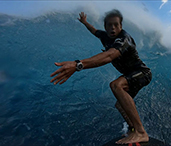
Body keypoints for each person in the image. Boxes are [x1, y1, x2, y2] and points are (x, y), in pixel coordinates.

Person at [50, 9, 152, 144]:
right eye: (109, 25)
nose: (113, 28)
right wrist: (85, 22)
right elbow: (94, 31)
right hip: (130, 75)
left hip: (142, 73)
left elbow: (109, 55)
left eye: (116, 25)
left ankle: (141, 132)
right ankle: (133, 129)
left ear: (121, 26)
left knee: (116, 85)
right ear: (105, 27)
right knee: (120, 105)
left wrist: (78, 65)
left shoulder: (124, 39)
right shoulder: (105, 36)